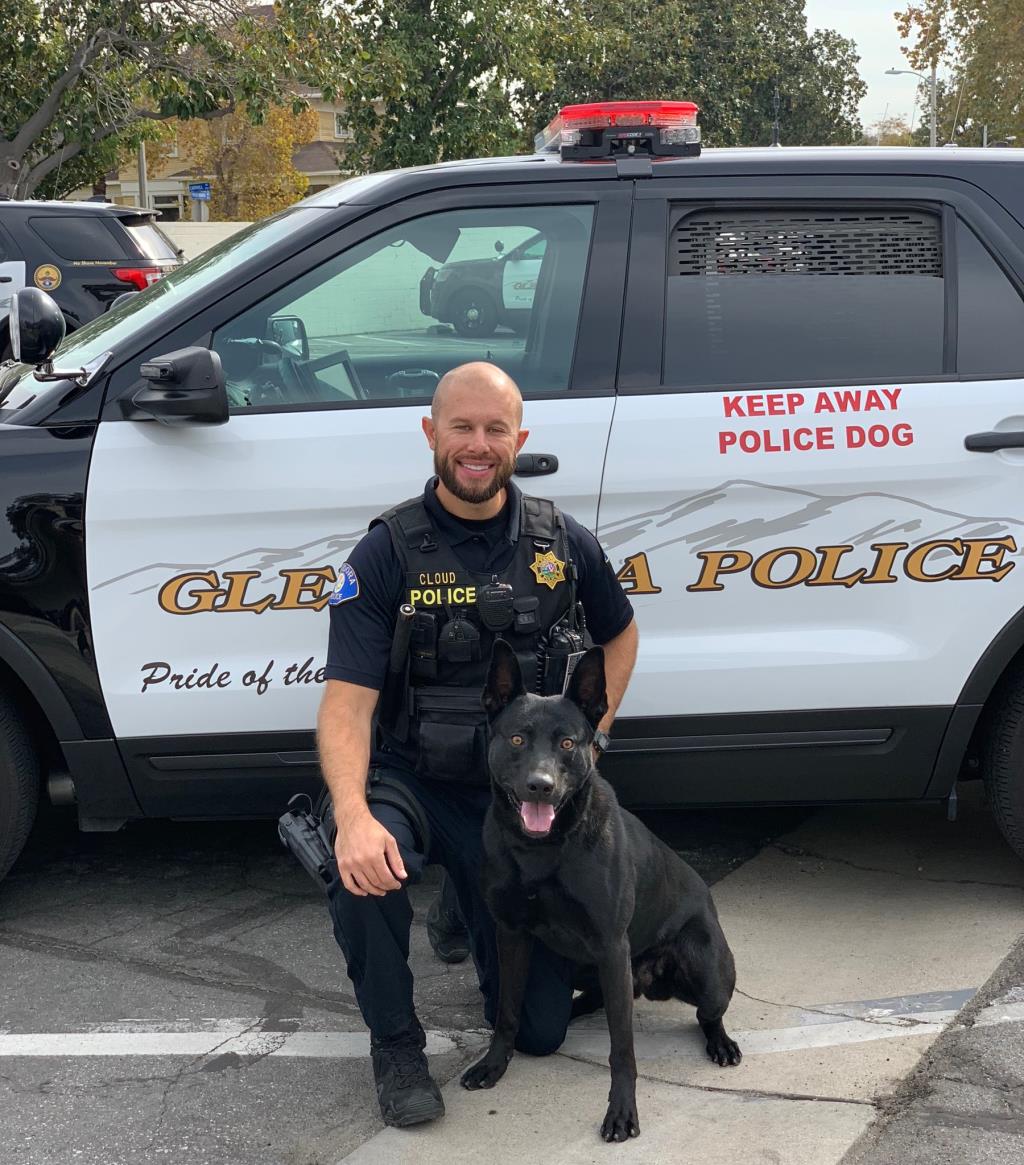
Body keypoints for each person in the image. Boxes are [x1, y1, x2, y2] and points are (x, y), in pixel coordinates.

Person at [317, 361, 638, 1128]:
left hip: (519, 799)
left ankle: (467, 903)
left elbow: (620, 636)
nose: (478, 444)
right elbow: (347, 705)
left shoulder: (561, 542)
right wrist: (354, 813)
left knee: (538, 1033)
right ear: (431, 433)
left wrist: (590, 742)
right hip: (417, 779)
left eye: (495, 429)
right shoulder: (388, 551)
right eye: (461, 426)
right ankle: (396, 1045)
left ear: (517, 439)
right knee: (360, 861)